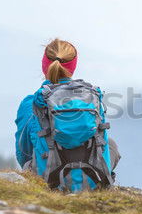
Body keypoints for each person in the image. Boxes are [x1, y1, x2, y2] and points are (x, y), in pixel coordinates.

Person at [15, 38, 119, 190]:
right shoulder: (91, 97)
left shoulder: (31, 102)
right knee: (111, 144)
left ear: (45, 66)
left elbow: (23, 153)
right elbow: (101, 142)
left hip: (48, 179)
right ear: (73, 67)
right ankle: (98, 182)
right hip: (93, 177)